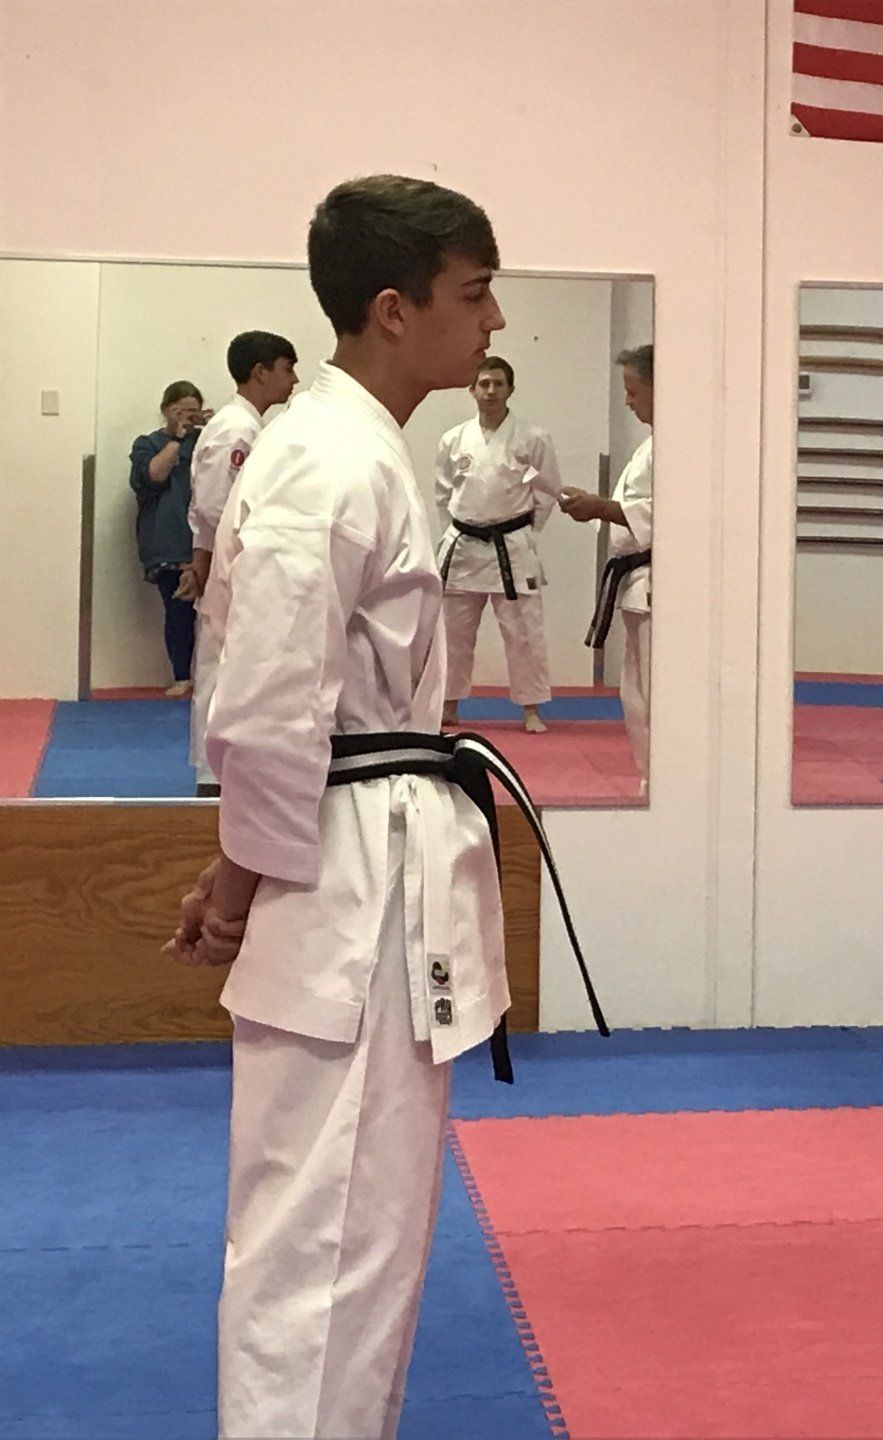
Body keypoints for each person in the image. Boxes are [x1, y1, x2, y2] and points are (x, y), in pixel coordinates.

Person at [163, 174, 513, 1440]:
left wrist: (238, 878)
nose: (493, 321)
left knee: (353, 1238)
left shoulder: (353, 444)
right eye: (473, 293)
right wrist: (236, 885)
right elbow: (268, 707)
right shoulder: (326, 456)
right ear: (393, 307)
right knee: (325, 1243)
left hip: (354, 853)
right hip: (345, 874)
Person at [183, 331, 300, 793]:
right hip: (234, 565)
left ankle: (226, 772)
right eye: (287, 369)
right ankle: (214, 777)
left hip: (231, 562)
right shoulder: (237, 430)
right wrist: (212, 561)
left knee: (235, 669)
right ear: (260, 372)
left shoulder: (246, 426)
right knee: (224, 670)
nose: (294, 380)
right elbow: (215, 507)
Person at [434, 355, 560, 734]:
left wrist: (526, 531)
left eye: (498, 384)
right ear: (471, 390)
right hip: (464, 545)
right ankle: (448, 704)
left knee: (524, 633)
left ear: (510, 389)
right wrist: (452, 533)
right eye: (484, 384)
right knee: (453, 633)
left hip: (512, 545)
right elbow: (443, 492)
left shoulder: (530, 440)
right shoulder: (454, 440)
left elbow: (545, 489)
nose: (490, 391)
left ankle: (531, 709)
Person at [560, 343, 652, 790]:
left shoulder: (684, 445)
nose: (628, 401)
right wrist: (597, 507)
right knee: (636, 696)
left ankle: (664, 784)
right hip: (637, 583)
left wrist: (600, 507)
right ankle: (651, 779)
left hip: (660, 585)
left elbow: (670, 513)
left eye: (633, 391)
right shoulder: (652, 445)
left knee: (656, 695)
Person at [129, 380, 205, 697]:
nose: (187, 417)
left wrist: (213, 429)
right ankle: (182, 675)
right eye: (180, 411)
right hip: (168, 541)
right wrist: (177, 437)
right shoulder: (148, 444)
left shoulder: (207, 441)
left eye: (193, 411)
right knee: (177, 611)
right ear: (165, 410)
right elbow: (153, 475)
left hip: (205, 539)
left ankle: (211, 678)